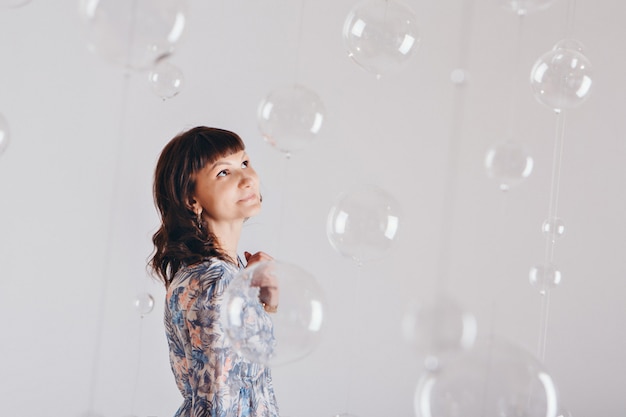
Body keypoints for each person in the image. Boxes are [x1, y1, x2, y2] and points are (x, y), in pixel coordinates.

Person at [149, 126, 280, 417]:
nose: (247, 178)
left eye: (245, 163)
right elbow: (220, 401)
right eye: (224, 172)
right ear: (191, 200)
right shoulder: (214, 283)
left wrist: (264, 303)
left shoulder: (218, 275)